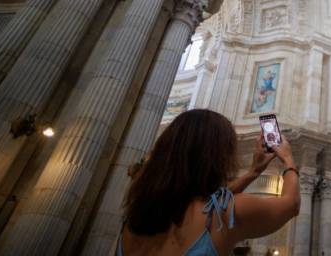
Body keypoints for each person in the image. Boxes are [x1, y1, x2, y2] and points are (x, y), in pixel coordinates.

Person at [118, 109, 300, 255]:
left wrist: (253, 172)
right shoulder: (228, 212)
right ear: (216, 157)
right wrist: (288, 159)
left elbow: (207, 202)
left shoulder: (136, 217)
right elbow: (291, 204)